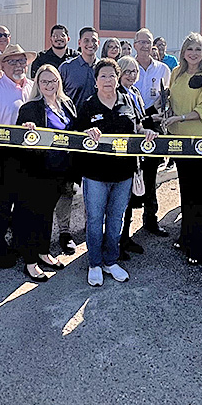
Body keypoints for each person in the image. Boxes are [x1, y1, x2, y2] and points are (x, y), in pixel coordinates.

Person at [74, 58, 157, 286]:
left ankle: (110, 260)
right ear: (96, 81)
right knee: (94, 219)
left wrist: (146, 132)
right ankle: (94, 263)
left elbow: (137, 126)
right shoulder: (88, 105)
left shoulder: (127, 101)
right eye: (103, 76)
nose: (108, 80)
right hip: (96, 175)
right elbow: (76, 135)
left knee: (116, 220)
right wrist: (86, 132)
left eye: (112, 75)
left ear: (117, 78)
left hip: (124, 174)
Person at [14, 65, 76, 281]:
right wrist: (27, 129)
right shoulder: (30, 108)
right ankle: (30, 262)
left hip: (60, 170)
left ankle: (44, 252)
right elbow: (19, 137)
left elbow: (75, 132)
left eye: (53, 81)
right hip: (37, 171)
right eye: (45, 82)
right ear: (38, 84)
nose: (50, 85)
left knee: (47, 214)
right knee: (34, 214)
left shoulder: (66, 104)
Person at [0, 44, 36, 269]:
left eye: (22, 61)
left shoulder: (32, 87)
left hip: (27, 155)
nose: (19, 65)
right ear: (3, 66)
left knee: (23, 204)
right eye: (12, 61)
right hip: (1, 154)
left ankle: (20, 245)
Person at [164, 32, 202, 265]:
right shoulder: (176, 72)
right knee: (186, 191)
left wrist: (181, 118)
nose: (194, 53)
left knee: (199, 194)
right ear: (184, 51)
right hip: (179, 142)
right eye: (190, 48)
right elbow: (172, 101)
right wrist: (167, 115)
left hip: (200, 141)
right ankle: (186, 235)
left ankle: (199, 246)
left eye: (198, 49)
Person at [56, 27, 101, 253]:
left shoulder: (104, 68)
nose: (90, 44)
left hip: (96, 137)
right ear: (79, 43)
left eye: (94, 40)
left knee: (93, 186)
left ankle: (90, 228)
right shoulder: (67, 68)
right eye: (86, 40)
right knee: (67, 187)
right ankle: (64, 232)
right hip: (71, 136)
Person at [115, 55, 159, 257]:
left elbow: (139, 120)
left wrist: (153, 118)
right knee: (123, 200)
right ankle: (118, 240)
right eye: (127, 72)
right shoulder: (117, 94)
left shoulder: (135, 92)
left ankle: (126, 237)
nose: (131, 75)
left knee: (133, 198)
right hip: (124, 152)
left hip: (139, 152)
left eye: (134, 72)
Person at [131, 28, 172, 236]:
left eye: (149, 42)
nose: (145, 46)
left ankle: (150, 218)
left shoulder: (163, 69)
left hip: (154, 123)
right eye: (141, 42)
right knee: (130, 173)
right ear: (135, 44)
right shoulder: (128, 66)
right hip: (132, 123)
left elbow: (165, 96)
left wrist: (155, 114)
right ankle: (125, 225)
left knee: (151, 173)